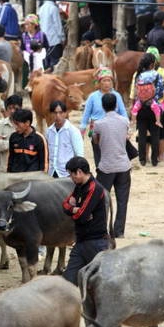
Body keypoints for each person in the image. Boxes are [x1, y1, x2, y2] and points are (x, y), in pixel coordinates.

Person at [62, 156, 109, 285]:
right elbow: (65, 205)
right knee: (69, 281)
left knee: (99, 283)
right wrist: (75, 210)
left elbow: (81, 217)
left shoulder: (94, 188)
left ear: (79, 172)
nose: (71, 178)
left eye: (72, 175)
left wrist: (77, 211)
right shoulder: (79, 187)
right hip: (81, 241)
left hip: (96, 243)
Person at [92, 93, 131, 238]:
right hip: (123, 165)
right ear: (116, 105)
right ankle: (119, 231)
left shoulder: (99, 124)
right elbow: (125, 137)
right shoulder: (124, 121)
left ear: (103, 106)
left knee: (101, 200)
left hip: (106, 167)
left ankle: (101, 229)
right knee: (122, 201)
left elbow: (96, 141)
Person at [80, 67, 127, 167]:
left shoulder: (117, 96)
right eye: (104, 80)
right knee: (98, 154)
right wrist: (82, 131)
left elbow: (123, 113)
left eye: (109, 80)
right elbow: (86, 115)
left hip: (114, 128)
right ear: (99, 82)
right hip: (96, 130)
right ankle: (99, 169)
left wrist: (127, 129)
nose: (107, 83)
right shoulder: (93, 97)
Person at [46, 100, 84, 178]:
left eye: (61, 112)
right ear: (50, 114)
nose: (58, 116)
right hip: (51, 173)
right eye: (55, 113)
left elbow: (79, 155)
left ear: (66, 113)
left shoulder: (73, 131)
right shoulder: (49, 131)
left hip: (67, 174)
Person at [130, 52, 164, 129]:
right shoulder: (156, 74)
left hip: (140, 105)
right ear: (152, 65)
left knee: (141, 135)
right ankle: (158, 121)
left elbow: (135, 91)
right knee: (160, 109)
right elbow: (161, 92)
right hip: (152, 103)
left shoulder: (138, 75)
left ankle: (133, 121)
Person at [0, 95, 22, 172]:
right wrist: (13, 144)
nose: (12, 111)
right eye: (10, 108)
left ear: (21, 108)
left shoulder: (26, 125)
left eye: (15, 108)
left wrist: (3, 143)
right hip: (4, 168)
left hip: (21, 168)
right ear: (6, 109)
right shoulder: (0, 124)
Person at [38, 0, 64, 69]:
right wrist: (62, 38)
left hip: (44, 40)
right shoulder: (54, 8)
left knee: (47, 63)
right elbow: (58, 25)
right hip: (54, 40)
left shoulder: (41, 8)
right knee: (55, 64)